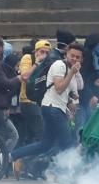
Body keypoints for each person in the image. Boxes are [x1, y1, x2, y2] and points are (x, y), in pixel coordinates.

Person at [11, 43, 84, 176]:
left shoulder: (71, 70)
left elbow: (76, 89)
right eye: (72, 55)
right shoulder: (59, 65)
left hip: (58, 109)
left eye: (78, 57)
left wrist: (73, 97)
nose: (74, 59)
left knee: (45, 144)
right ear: (66, 54)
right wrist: (72, 72)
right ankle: (69, 175)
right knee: (68, 144)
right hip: (52, 108)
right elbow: (59, 87)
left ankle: (14, 156)